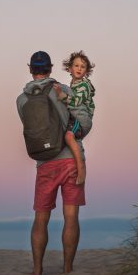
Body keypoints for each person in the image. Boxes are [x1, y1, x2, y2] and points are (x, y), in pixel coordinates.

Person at [16, 51, 92, 275]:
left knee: (41, 218)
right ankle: (67, 269)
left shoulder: (21, 100)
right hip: (70, 160)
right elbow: (84, 123)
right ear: (50, 69)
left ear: (31, 69)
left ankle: (37, 270)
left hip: (44, 163)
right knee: (71, 217)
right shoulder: (64, 90)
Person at [54, 51, 95, 186]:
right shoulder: (73, 83)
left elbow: (76, 102)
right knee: (67, 134)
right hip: (75, 117)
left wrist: (61, 95)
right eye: (76, 66)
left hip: (83, 119)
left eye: (82, 67)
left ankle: (81, 167)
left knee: (69, 136)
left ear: (87, 71)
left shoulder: (83, 85)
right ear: (70, 68)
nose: (79, 69)